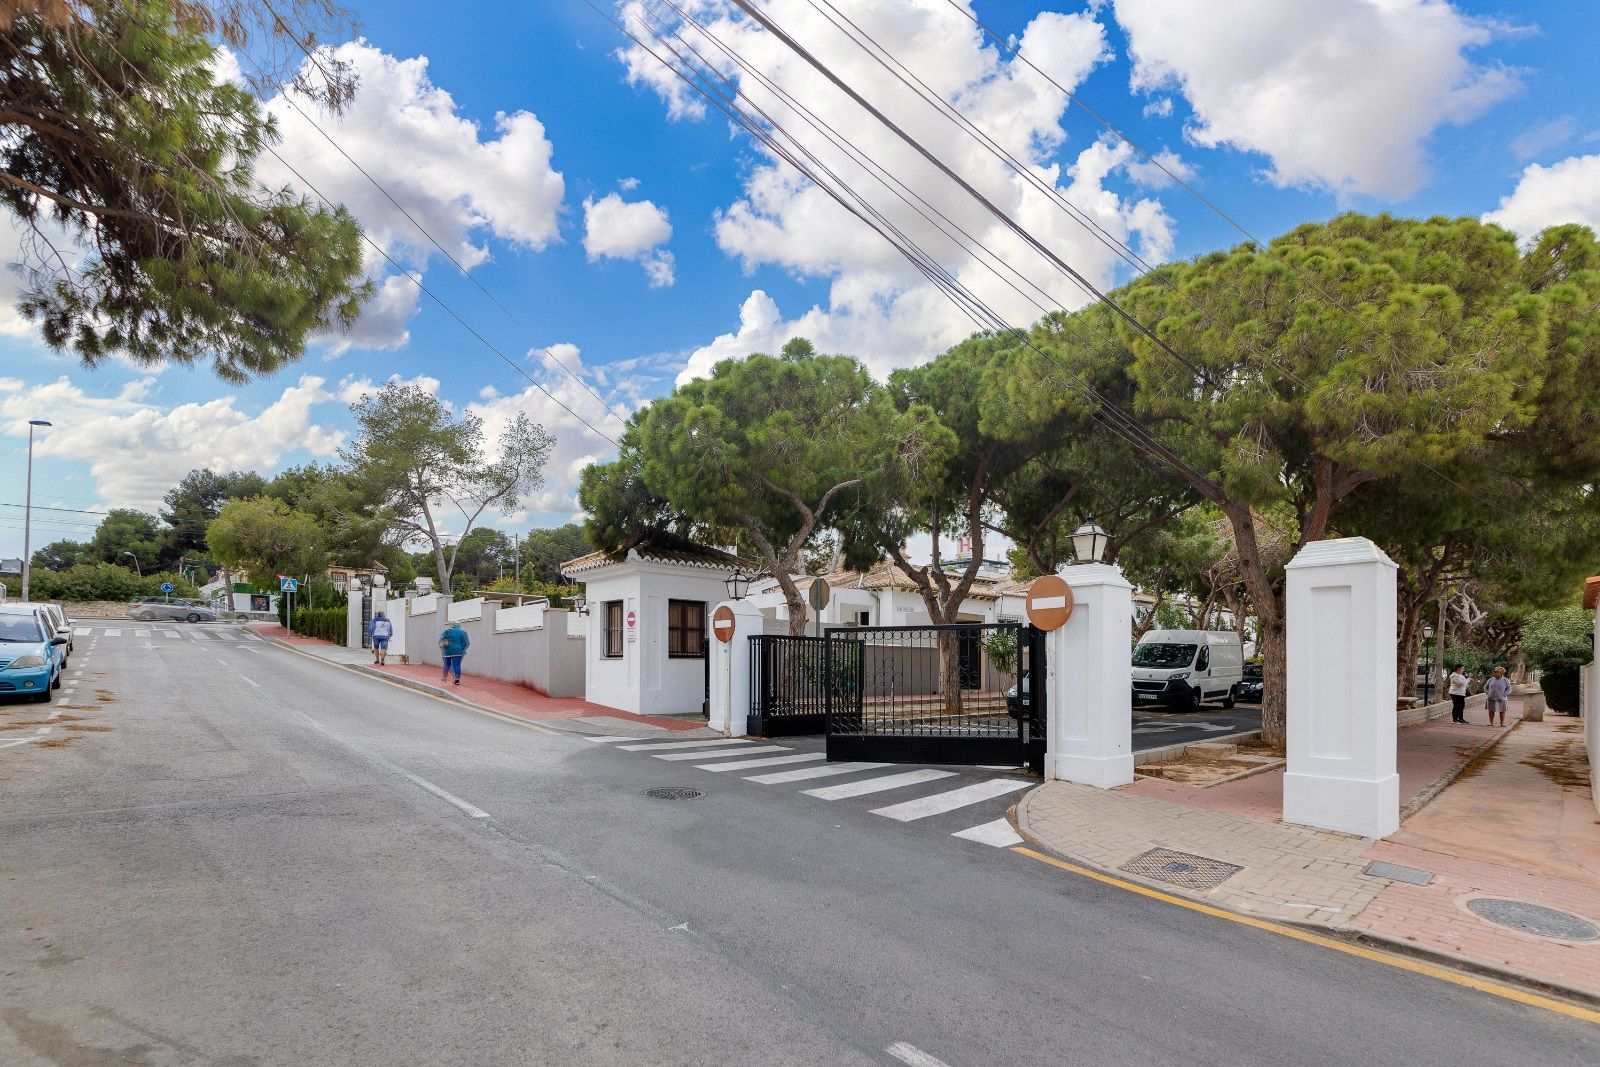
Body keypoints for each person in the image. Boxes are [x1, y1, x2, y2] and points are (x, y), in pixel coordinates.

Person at [439, 621, 469, 685]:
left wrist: (442, 648)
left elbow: (440, 641)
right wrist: (461, 649)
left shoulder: (446, 631)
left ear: (452, 625)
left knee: (447, 665)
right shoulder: (462, 632)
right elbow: (465, 643)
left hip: (447, 651)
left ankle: (444, 677)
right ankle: (457, 679)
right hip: (457, 651)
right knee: (457, 665)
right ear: (459, 626)